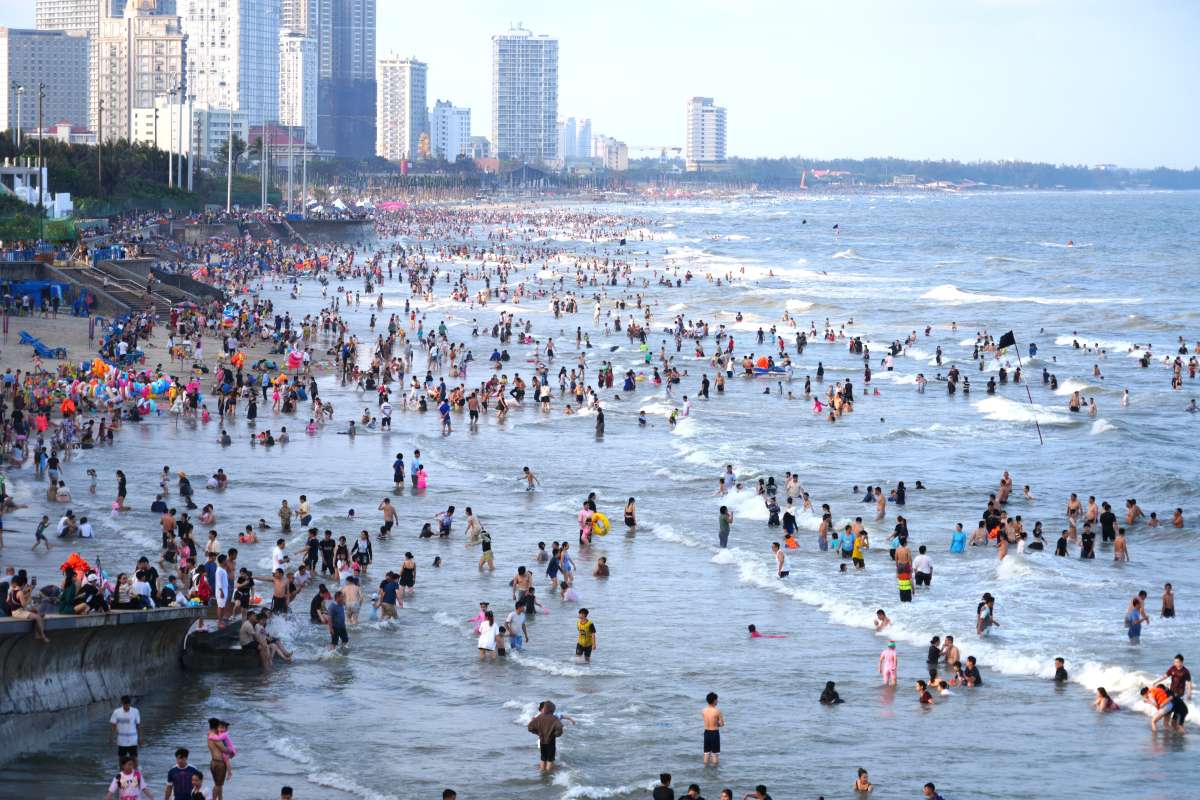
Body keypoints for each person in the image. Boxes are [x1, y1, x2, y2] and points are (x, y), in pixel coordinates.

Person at [527, 700, 565, 770]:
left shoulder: (539, 717)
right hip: (551, 741)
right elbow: (559, 727)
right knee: (550, 759)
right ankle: (547, 774)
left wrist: (538, 732)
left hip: (542, 741)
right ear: (553, 710)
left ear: (544, 709)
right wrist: (556, 734)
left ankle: (542, 772)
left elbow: (530, 727)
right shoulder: (554, 718)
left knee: (543, 758)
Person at [110, 695, 141, 769]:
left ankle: (136, 773)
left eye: (128, 704)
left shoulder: (135, 711)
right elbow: (113, 725)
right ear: (122, 703)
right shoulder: (117, 712)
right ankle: (121, 773)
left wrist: (140, 738)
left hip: (133, 739)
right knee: (121, 758)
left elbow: (138, 725)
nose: (126, 706)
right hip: (121, 740)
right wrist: (111, 737)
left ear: (130, 703)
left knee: (133, 757)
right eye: (125, 704)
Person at [702, 692, 725, 765]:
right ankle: (715, 771)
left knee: (706, 753)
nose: (717, 701)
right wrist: (718, 724)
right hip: (714, 733)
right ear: (714, 700)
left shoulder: (703, 710)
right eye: (717, 699)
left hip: (706, 733)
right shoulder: (717, 711)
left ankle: (705, 767)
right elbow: (721, 724)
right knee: (715, 753)